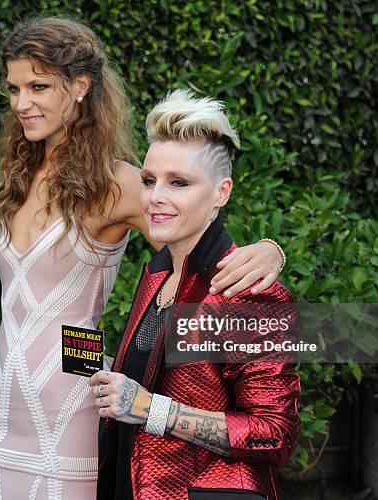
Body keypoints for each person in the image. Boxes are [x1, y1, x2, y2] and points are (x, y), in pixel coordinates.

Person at [0, 18, 286, 500]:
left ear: (80, 86)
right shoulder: (19, 178)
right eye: (15, 88)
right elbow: (15, 324)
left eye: (39, 86)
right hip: (3, 425)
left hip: (69, 417)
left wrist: (268, 252)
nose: (22, 103)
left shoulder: (121, 182)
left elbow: (198, 245)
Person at [91, 89, 300, 500]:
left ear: (221, 193)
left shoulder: (247, 293)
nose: (156, 197)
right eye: (149, 181)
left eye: (179, 183)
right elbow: (149, 381)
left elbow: (276, 435)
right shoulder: (157, 272)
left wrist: (154, 411)